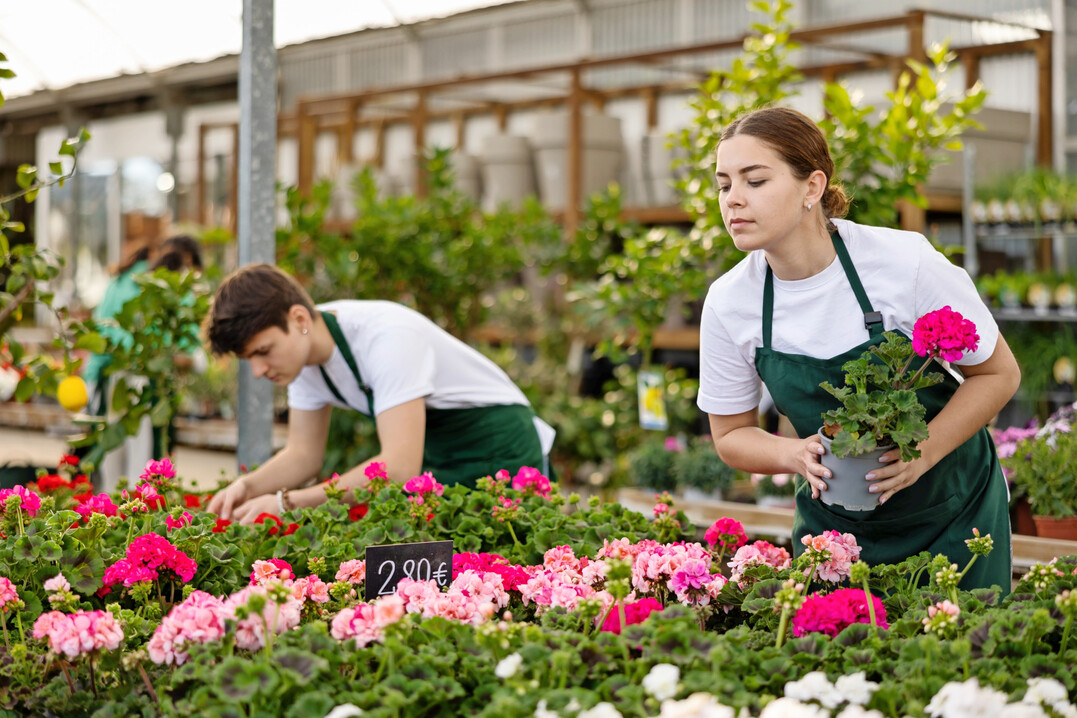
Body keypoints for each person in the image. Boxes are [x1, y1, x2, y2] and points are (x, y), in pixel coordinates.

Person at [697, 106, 1019, 590]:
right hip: (837, 531)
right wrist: (795, 456)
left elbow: (998, 374)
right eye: (724, 185)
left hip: (953, 515)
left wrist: (922, 452)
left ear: (813, 187)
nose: (733, 200)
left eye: (755, 181)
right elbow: (730, 435)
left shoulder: (901, 263)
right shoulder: (730, 302)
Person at [205, 263, 555, 523]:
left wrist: (286, 504)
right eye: (248, 359)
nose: (259, 371)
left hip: (499, 444)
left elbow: (399, 467)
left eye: (263, 351)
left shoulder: (386, 338)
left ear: (299, 320)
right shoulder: (303, 360)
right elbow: (303, 454)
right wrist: (247, 488)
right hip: (438, 458)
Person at [84, 234, 204, 490]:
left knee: (110, 463)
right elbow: (188, 352)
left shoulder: (125, 277)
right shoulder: (166, 287)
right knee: (144, 465)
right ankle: (138, 520)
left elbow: (101, 331)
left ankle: (109, 519)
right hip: (141, 382)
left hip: (104, 378)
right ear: (185, 263)